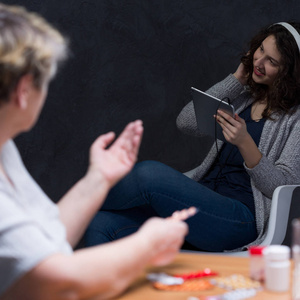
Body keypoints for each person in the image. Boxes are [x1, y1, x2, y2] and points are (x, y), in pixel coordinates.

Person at [0, 3, 194, 300]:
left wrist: (98, 179)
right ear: (24, 91)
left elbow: (41, 245)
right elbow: (59, 280)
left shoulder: (5, 148)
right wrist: (149, 242)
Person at [85, 21, 300, 252]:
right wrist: (236, 79)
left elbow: (284, 186)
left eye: (272, 61)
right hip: (200, 207)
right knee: (100, 224)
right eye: (260, 51)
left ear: (288, 73)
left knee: (150, 175)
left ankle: (65, 213)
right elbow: (186, 122)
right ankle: (98, 284)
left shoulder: (295, 118)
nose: (259, 63)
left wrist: (245, 143)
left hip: (239, 219)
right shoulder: (244, 97)